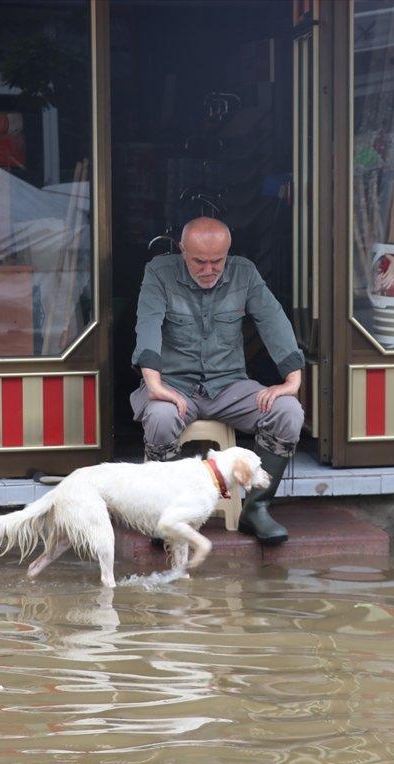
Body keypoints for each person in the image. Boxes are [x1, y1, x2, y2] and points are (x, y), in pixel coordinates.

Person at [131, 217, 304, 544]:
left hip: (229, 386)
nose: (209, 269)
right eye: (199, 261)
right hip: (174, 384)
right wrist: (154, 385)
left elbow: (273, 321)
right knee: (160, 417)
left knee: (288, 411)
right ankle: (167, 513)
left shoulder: (244, 273)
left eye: (217, 261)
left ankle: (256, 508)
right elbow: (148, 324)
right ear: (182, 250)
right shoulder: (159, 272)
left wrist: (291, 381)